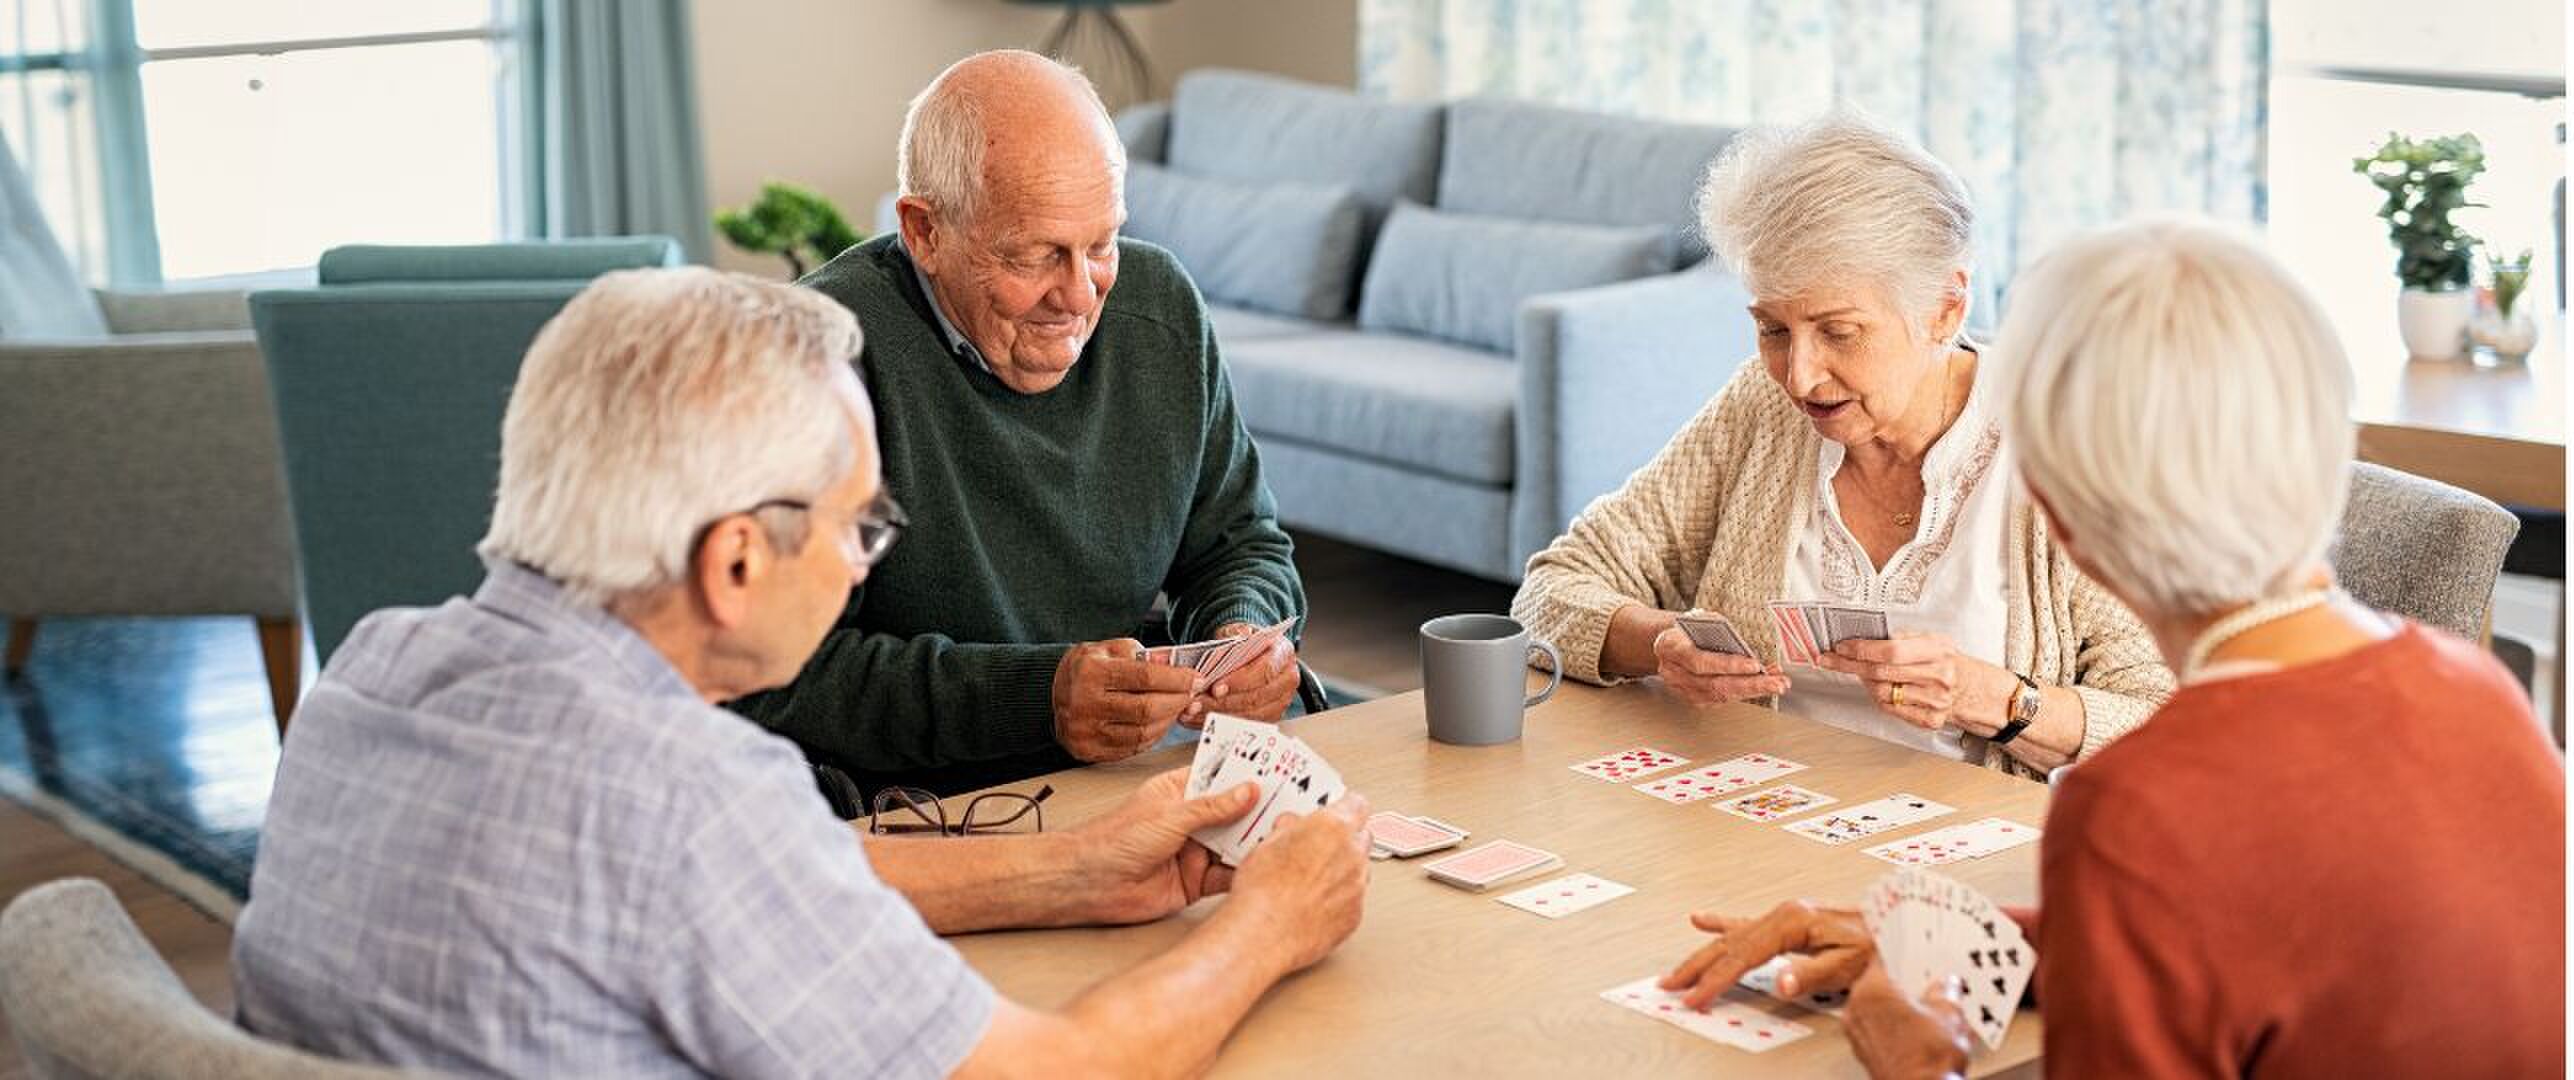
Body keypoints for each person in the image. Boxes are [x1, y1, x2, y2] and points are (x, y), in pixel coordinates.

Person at [230, 268, 1373, 1077]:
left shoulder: (370, 668)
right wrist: (1269, 924)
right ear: (734, 560)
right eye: (857, 525)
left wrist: (1076, 872)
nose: (862, 554)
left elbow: (774, 879)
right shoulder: (690, 793)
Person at [1655, 218, 2565, 1077]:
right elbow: (2271, 931)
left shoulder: (2139, 807)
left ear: (2060, 518)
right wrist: (1978, 939)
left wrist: (1918, 1063)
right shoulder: (2481, 693)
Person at [1510, 113, 2170, 778]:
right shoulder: (1766, 409)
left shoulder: (2062, 440)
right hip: (1753, 817)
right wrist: (1658, 645)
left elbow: (2170, 723)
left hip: (1970, 852)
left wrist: (1997, 701)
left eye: (1839, 332)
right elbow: (1548, 594)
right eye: (1772, 329)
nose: (1799, 376)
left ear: (1945, 307)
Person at [728, 50, 1307, 799]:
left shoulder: (1159, 307)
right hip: (913, 812)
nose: (1078, 295)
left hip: (1131, 777)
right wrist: (1035, 700)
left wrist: (1243, 635)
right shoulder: (816, 358)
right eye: (1034, 255)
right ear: (924, 232)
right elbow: (775, 674)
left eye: (1101, 245)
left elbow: (1242, 543)